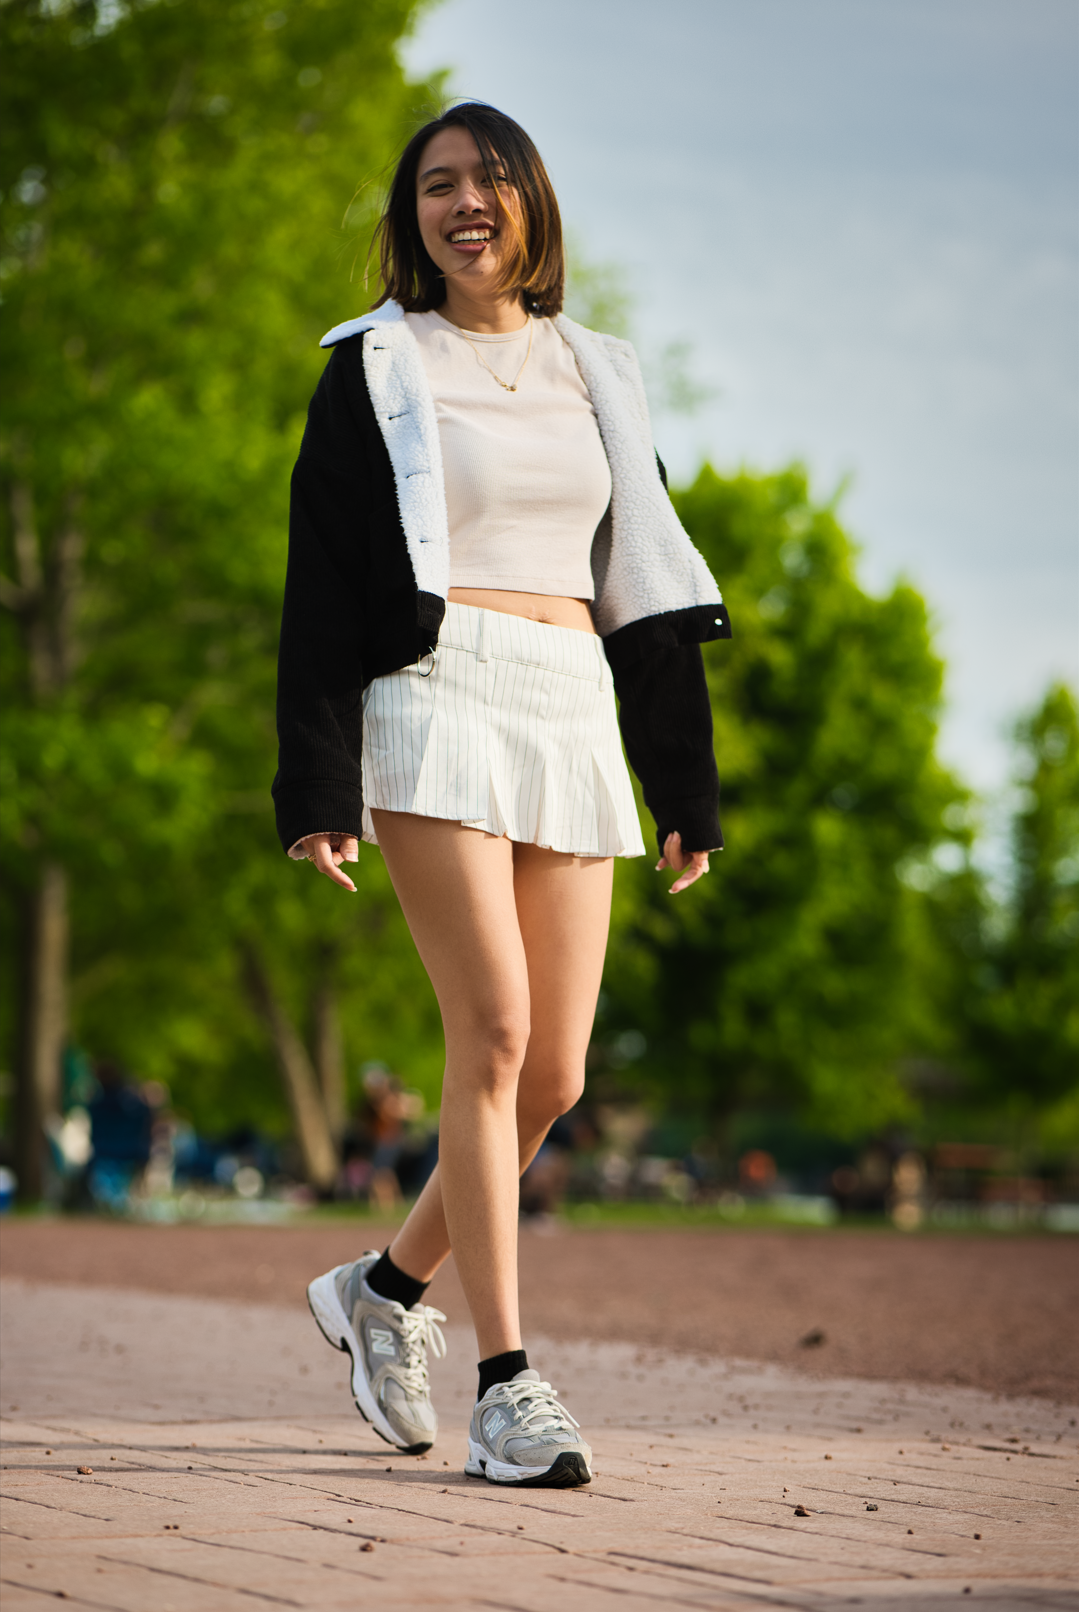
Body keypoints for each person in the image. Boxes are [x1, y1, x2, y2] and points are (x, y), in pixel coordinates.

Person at [273, 102, 731, 1489]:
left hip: (569, 698)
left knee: (557, 1074)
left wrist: (683, 781)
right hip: (435, 692)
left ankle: (382, 1293)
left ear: (532, 200)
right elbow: (322, 583)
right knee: (492, 1033)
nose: (464, 203)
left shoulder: (599, 369)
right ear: (410, 217)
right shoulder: (376, 365)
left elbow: (644, 574)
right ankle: (508, 1387)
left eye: (489, 180)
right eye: (436, 185)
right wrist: (318, 781)